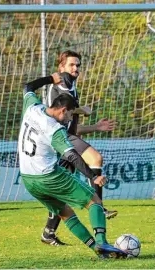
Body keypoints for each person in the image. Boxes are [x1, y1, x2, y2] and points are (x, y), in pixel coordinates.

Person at [18, 72, 127, 259]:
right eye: (70, 115)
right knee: (94, 200)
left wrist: (49, 79)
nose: (69, 120)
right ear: (62, 110)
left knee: (66, 213)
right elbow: (71, 156)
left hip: (28, 179)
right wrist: (94, 176)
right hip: (48, 176)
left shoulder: (32, 108)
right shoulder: (54, 129)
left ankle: (97, 250)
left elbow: (27, 87)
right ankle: (102, 242)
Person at [42, 50, 117, 246]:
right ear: (61, 68)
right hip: (58, 139)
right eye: (71, 65)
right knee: (95, 158)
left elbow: (73, 128)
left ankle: (49, 232)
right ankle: (99, 206)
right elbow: (54, 118)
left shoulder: (72, 87)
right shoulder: (56, 88)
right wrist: (79, 109)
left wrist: (96, 127)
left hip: (68, 137)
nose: (76, 68)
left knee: (62, 193)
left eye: (78, 65)